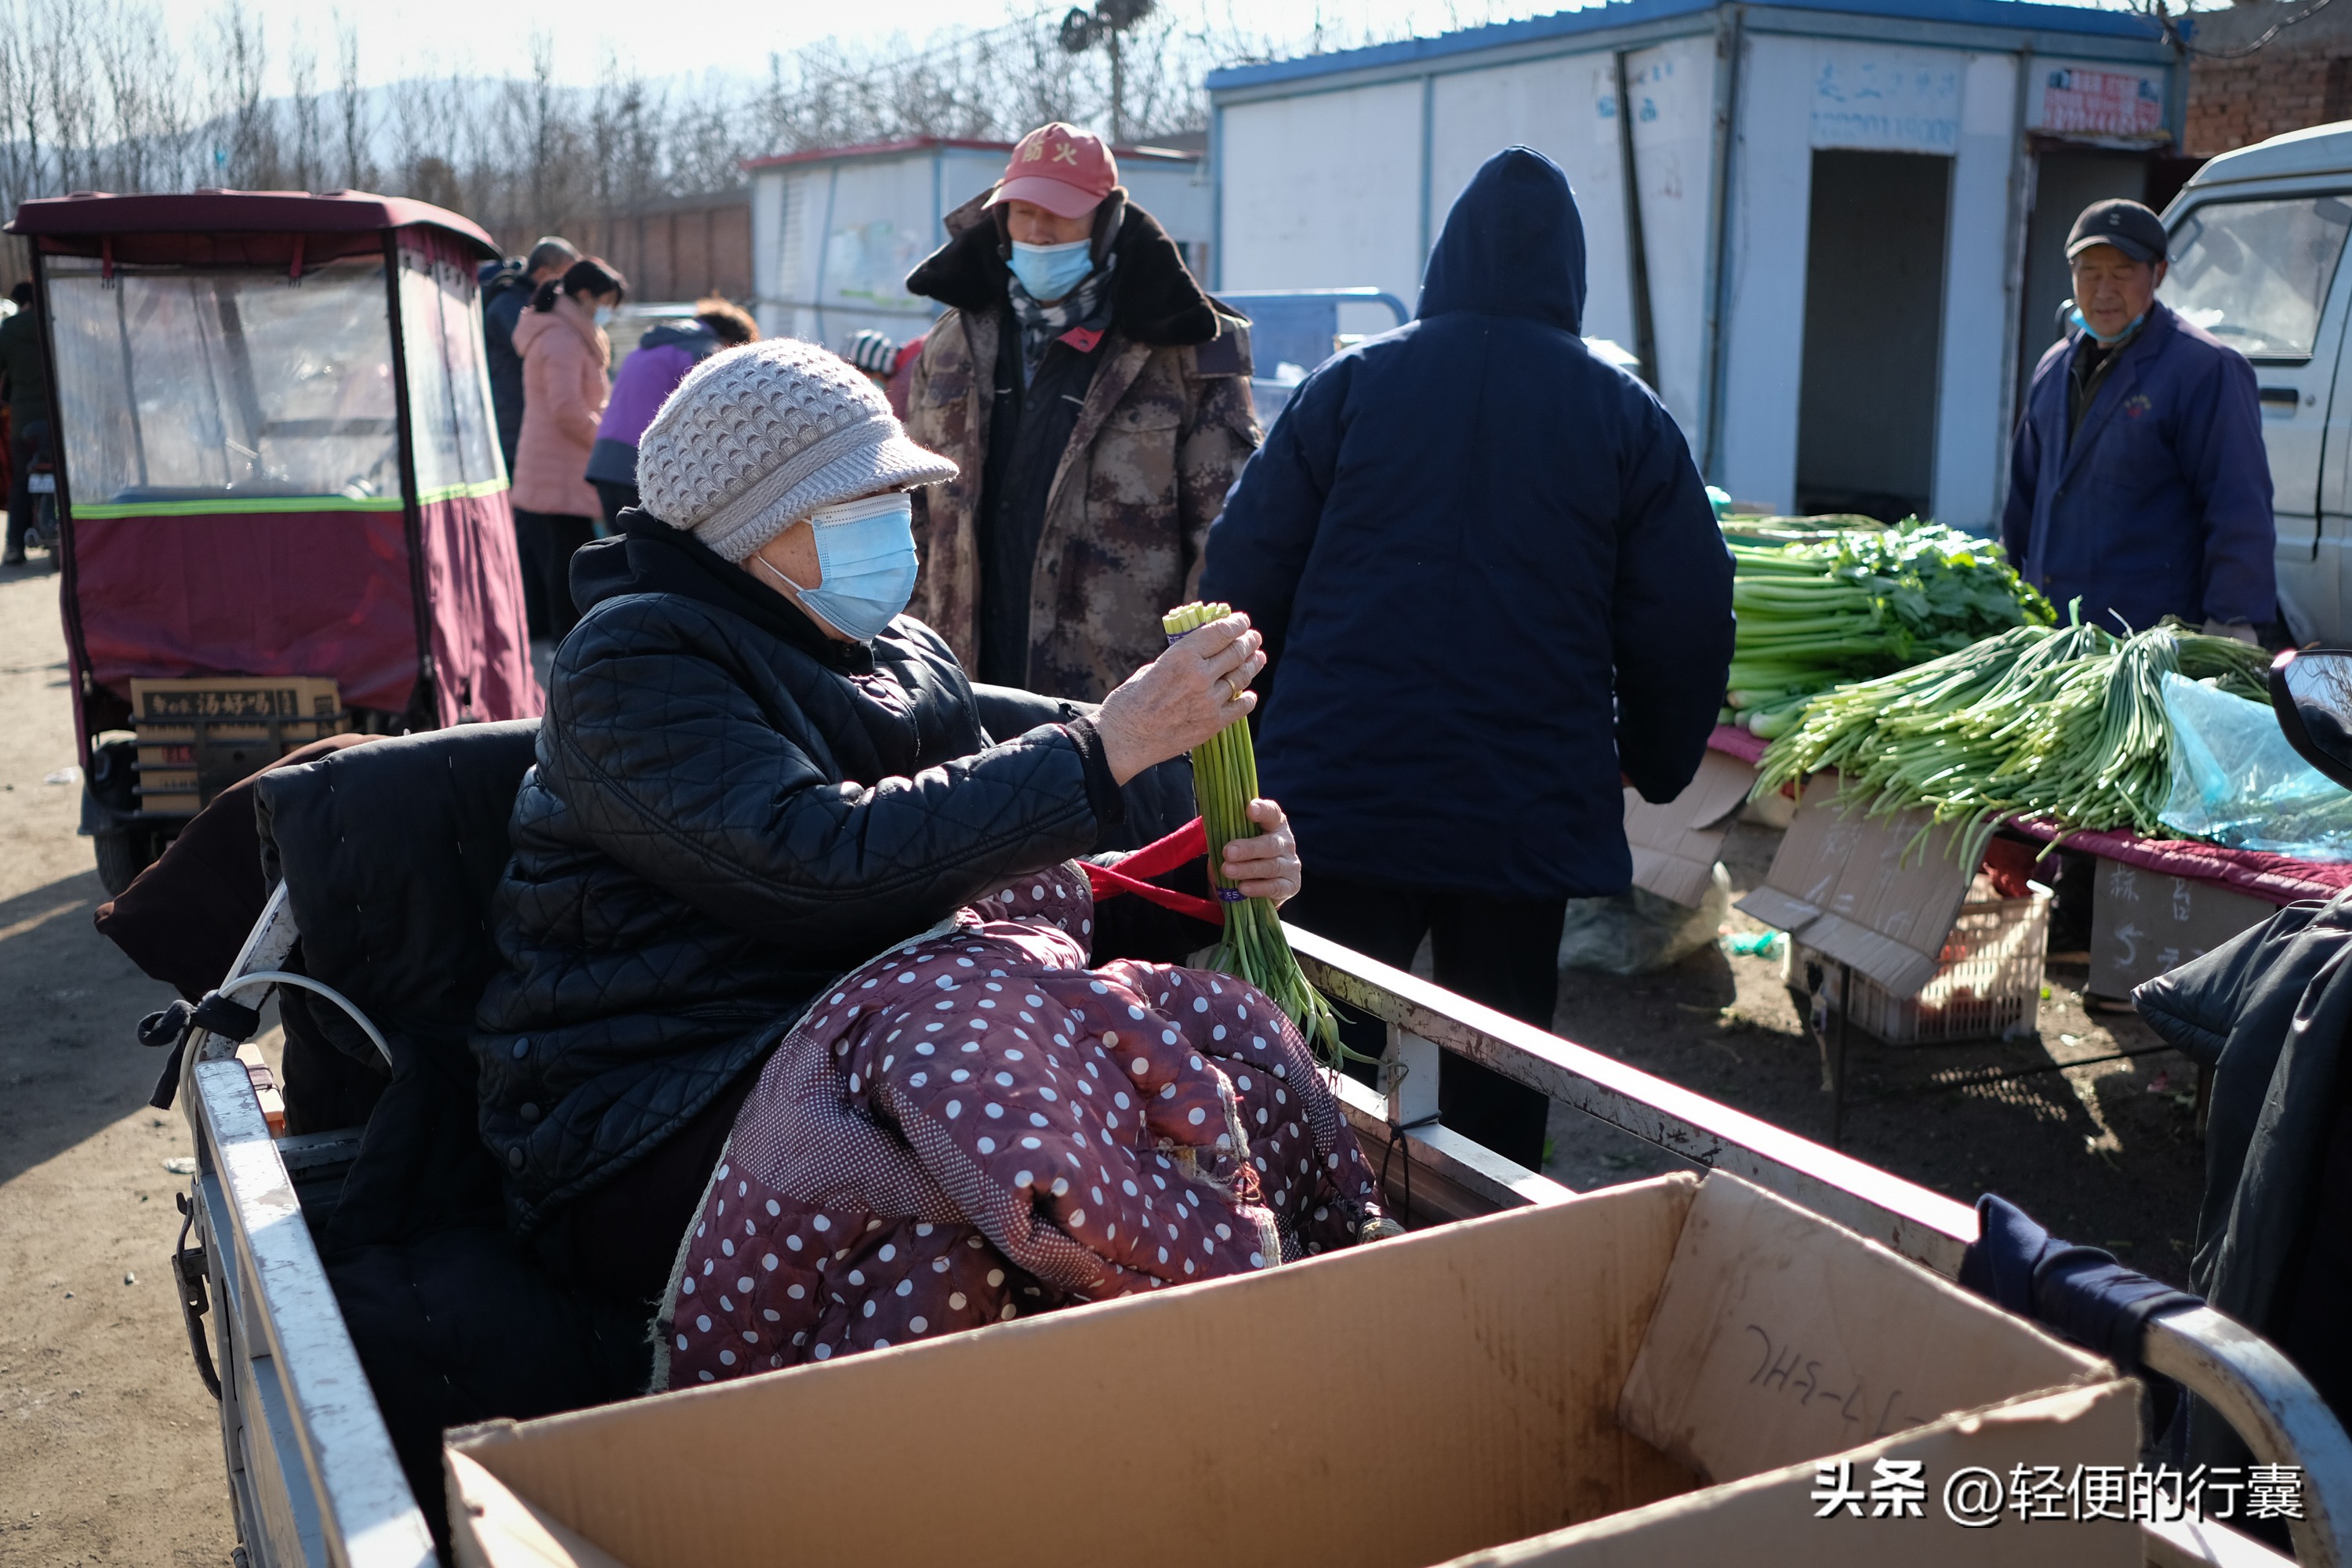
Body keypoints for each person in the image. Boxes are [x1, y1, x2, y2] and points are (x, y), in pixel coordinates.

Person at [472, 337, 1330, 1318]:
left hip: (872, 1049)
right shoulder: (633, 661)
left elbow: (980, 886)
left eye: (896, 497)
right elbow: (816, 865)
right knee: (993, 1210)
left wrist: (1208, 875)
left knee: (1186, 1080)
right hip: (652, 1113)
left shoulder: (900, 653)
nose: (894, 527)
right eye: (855, 504)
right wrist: (1103, 747)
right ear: (748, 525)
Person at [1200, 147, 1736, 1171]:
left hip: (1339, 796)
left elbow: (1244, 565)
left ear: (1447, 258)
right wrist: (1656, 759)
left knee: (1323, 1064)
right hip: (1522, 809)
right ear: (1569, 275)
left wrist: (1246, 745)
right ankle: (1480, 1277)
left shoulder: (1353, 384)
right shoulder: (1625, 415)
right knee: (1499, 1071)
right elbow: (1691, 614)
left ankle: (1309, 1261)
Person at [903, 121, 1260, 702]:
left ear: (1106, 222)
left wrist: (1191, 685)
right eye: (1022, 212)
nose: (1039, 233)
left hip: (1119, 698)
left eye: (1060, 213)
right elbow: (911, 513)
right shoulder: (950, 346)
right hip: (965, 685)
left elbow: (1223, 536)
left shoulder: (1187, 350)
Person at [2002, 198, 2274, 642]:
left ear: (2159, 273)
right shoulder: (2053, 368)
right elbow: (2024, 501)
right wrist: (2005, 593)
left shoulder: (2204, 369)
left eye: (2123, 271)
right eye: (2089, 271)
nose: (2103, 290)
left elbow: (2238, 505)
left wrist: (2233, 620)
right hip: (2054, 638)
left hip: (2149, 643)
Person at [510, 256, 625, 640]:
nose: (604, 311)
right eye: (603, 301)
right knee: (567, 564)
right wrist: (603, 440)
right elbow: (566, 409)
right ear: (583, 295)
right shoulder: (562, 339)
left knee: (553, 560)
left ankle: (554, 640)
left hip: (551, 466)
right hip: (559, 470)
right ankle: (568, 643)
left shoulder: (565, 332)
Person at [584, 297, 757, 531]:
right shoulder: (704, 352)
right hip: (643, 468)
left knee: (620, 554)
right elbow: (718, 417)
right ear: (731, 342)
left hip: (606, 461)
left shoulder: (652, 345)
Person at [481, 236, 580, 472]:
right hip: (512, 423)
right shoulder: (507, 305)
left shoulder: (533, 303)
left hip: (527, 421)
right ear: (545, 272)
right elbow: (537, 350)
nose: (566, 288)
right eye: (563, 278)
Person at [0, 280, 50, 567]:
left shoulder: (9, 330)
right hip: (60, 417)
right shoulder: (56, 323)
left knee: (21, 480)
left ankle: (15, 547)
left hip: (23, 420)